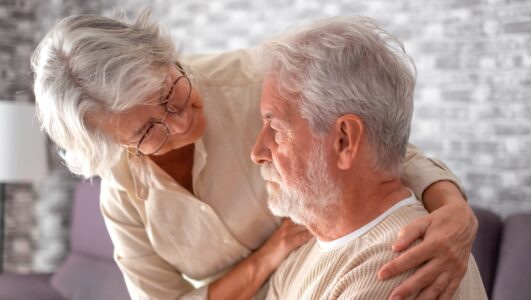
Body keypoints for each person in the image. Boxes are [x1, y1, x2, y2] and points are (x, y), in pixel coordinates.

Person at [31, 10, 478, 300]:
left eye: (172, 93)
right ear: (117, 147)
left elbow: (374, 143)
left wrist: (453, 209)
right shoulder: (123, 193)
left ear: (166, 58)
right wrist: (268, 256)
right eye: (149, 130)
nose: (181, 123)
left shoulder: (255, 83)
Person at [252, 16, 487, 300]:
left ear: (344, 140)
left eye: (275, 129)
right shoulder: (304, 253)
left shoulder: (400, 265)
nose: (257, 153)